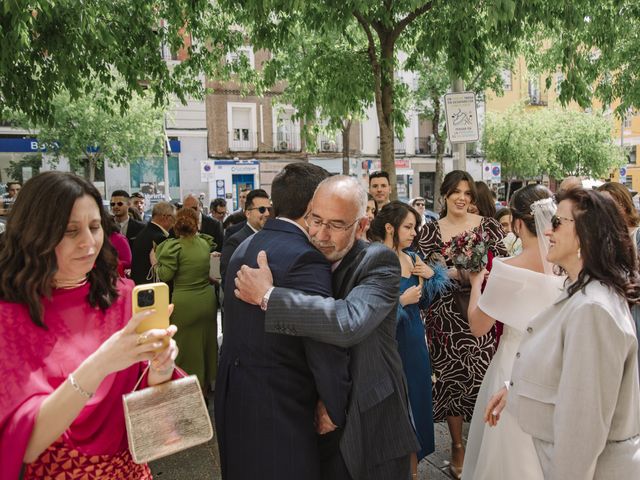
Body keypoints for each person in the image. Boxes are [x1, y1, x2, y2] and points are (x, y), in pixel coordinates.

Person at [234, 175, 420, 480]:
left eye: (335, 225)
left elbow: (347, 322)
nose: (320, 233)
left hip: (372, 420)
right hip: (320, 424)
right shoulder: (305, 257)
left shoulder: (378, 261)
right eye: (315, 219)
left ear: (361, 226)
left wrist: (268, 296)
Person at [0, 172, 178, 479]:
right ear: (34, 234)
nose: (88, 242)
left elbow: (149, 398)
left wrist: (160, 369)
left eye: (95, 227)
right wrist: (102, 363)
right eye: (70, 231)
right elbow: (26, 444)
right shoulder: (9, 315)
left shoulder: (122, 294)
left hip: (130, 469)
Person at [486, 188, 640, 479]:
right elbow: (567, 371)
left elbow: (583, 427)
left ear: (585, 234)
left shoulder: (592, 308)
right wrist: (514, 387)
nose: (547, 232)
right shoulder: (584, 291)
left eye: (557, 223)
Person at [214, 163, 350, 480]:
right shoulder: (305, 256)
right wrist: (333, 403)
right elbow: (322, 339)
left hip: (236, 395)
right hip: (280, 406)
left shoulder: (246, 245)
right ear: (314, 204)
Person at [462, 185, 564, 480]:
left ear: (517, 224)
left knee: (507, 454)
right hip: (553, 371)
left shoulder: (508, 269)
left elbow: (478, 327)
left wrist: (476, 285)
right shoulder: (567, 268)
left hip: (512, 367)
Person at [414, 170, 507, 479]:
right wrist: (454, 273)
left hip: (482, 312)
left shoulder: (488, 226)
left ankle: (485, 441)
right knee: (451, 381)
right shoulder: (429, 230)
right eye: (456, 192)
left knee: (484, 376)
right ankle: (456, 445)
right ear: (444, 195)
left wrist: (458, 272)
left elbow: (503, 267)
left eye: (467, 193)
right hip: (445, 317)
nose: (462, 198)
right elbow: (424, 274)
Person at [369, 201, 450, 474]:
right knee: (397, 412)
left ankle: (413, 472)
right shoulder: (376, 258)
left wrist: (432, 276)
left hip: (416, 342)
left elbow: (426, 302)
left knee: (417, 401)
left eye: (415, 227)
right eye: (408, 227)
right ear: (390, 227)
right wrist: (400, 302)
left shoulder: (412, 257)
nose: (414, 232)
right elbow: (367, 310)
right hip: (390, 345)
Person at [154, 207, 217, 392]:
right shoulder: (205, 244)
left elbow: (166, 275)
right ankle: (205, 387)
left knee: (186, 349)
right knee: (206, 344)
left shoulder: (174, 247)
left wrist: (155, 264)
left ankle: (188, 389)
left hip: (184, 303)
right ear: (196, 222)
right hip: (207, 300)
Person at [220, 189, 271, 284]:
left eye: (269, 209)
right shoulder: (235, 241)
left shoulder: (271, 237)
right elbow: (228, 279)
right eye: (262, 209)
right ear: (248, 213)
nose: (267, 213)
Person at [130, 202, 176, 285]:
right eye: (174, 217)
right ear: (165, 217)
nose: (175, 221)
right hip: (153, 289)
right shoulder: (159, 238)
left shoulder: (143, 233)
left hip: (140, 286)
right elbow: (165, 272)